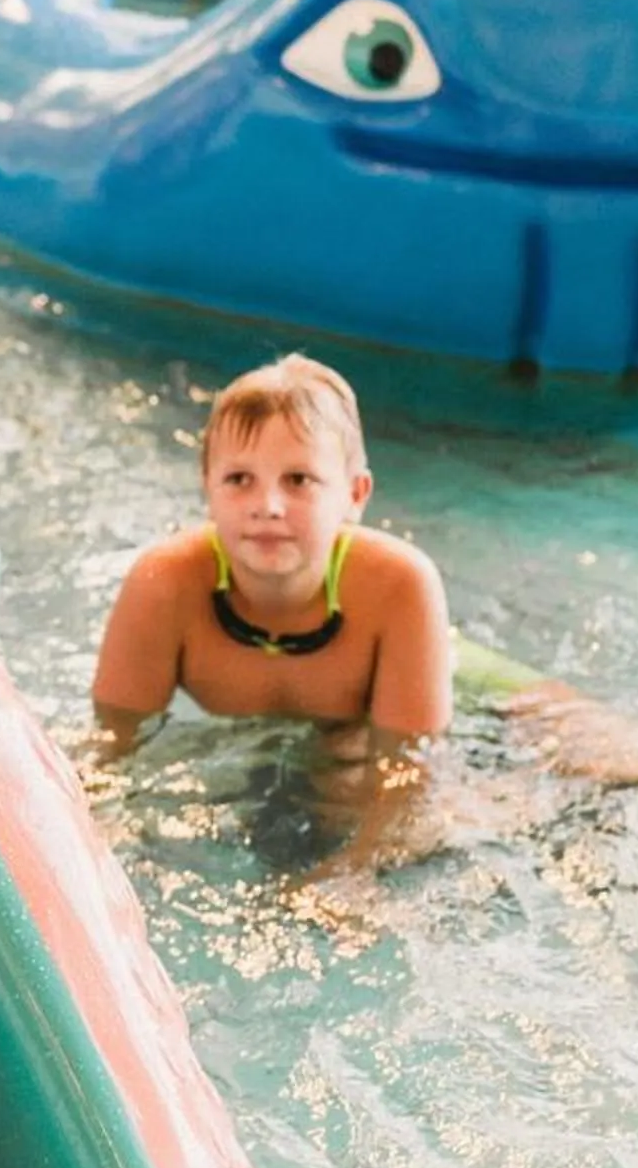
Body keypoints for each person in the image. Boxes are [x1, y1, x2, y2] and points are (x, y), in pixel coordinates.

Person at [91, 354, 455, 866]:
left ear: (355, 494)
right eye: (240, 479)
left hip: (432, 675)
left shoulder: (400, 588)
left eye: (299, 480)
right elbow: (112, 746)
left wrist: (354, 876)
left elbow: (410, 777)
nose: (268, 505)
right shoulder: (164, 584)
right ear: (207, 488)